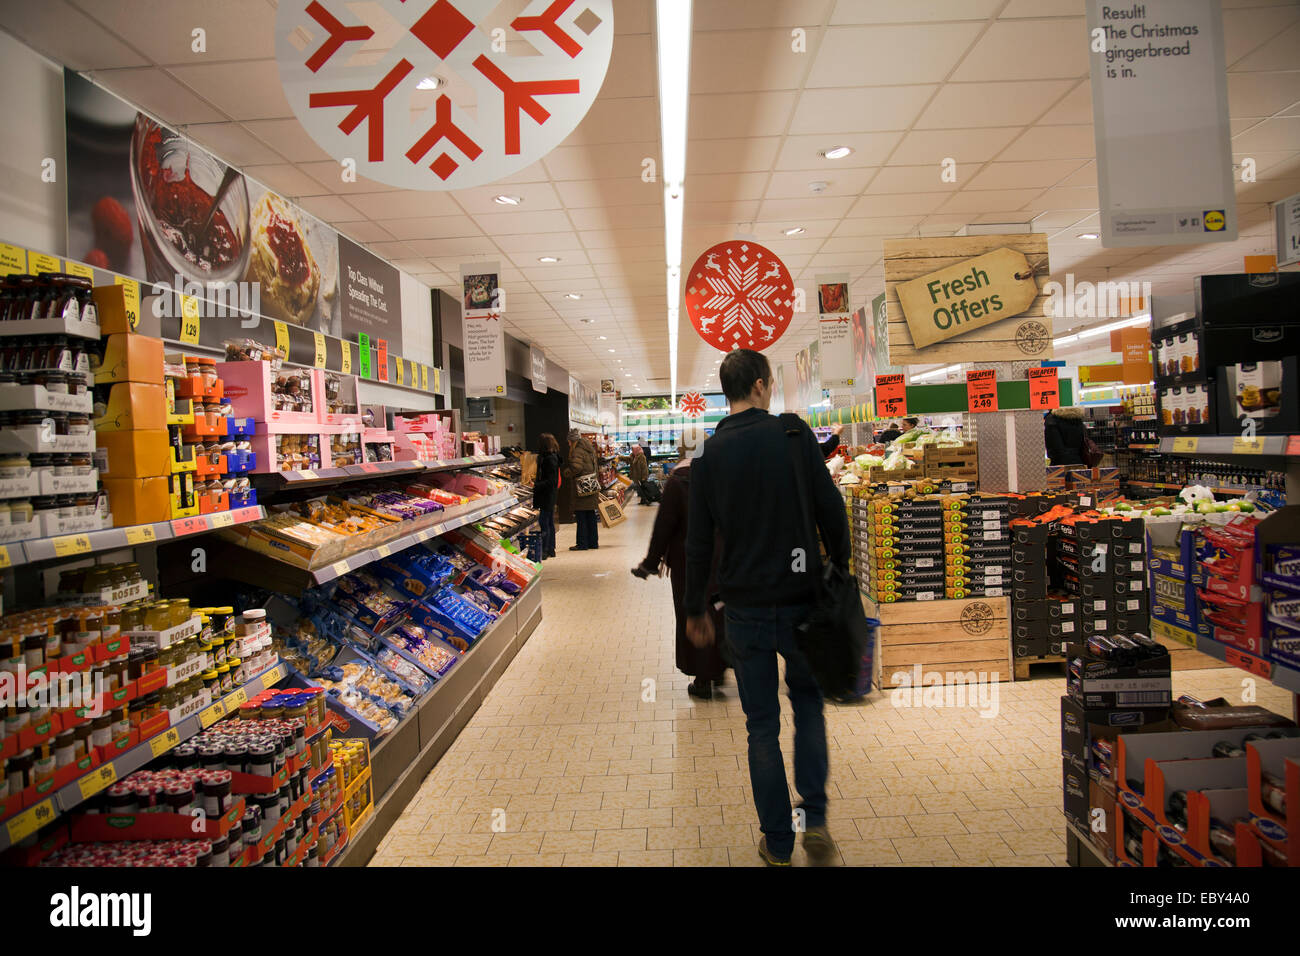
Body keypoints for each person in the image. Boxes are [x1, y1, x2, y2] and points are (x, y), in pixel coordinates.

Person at [684, 348, 850, 867]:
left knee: (761, 727)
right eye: (771, 381)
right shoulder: (794, 437)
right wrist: (839, 568)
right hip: (802, 602)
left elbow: (697, 544)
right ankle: (815, 822)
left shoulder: (709, 457)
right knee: (808, 707)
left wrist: (694, 608)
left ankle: (778, 843)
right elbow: (831, 509)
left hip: (745, 609)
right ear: (760, 385)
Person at [630, 458, 726, 698]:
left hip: (686, 560)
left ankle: (702, 677)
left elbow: (665, 524)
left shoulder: (677, 481)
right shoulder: (723, 473)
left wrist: (651, 562)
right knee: (718, 608)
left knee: (691, 612)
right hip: (720, 557)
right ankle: (719, 665)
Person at [564, 428, 600, 550]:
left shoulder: (577, 451)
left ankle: (582, 544)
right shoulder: (589, 449)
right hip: (591, 486)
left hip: (582, 489)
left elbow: (576, 467)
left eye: (569, 442)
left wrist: (567, 473)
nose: (568, 444)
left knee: (581, 517)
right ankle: (593, 543)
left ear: (572, 441)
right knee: (590, 516)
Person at [532, 433, 560, 559]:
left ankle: (546, 549)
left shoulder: (549, 459)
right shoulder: (550, 457)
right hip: (549, 495)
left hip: (546, 495)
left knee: (544, 522)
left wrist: (536, 484)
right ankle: (551, 549)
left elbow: (551, 480)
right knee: (549, 522)